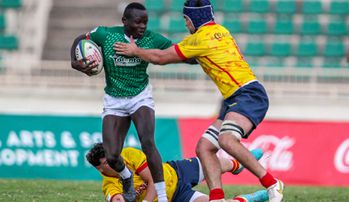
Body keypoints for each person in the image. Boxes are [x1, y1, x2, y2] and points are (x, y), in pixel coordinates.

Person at [113, 0, 284, 201]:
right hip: (236, 97)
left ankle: (272, 183)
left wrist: (136, 52)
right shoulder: (220, 30)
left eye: (186, 19)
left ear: (193, 18)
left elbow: (161, 58)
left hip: (247, 94)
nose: (186, 24)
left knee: (226, 140)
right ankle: (217, 197)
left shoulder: (199, 39)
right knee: (204, 147)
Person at [70, 3, 173, 202]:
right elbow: (80, 39)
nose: (143, 26)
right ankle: (126, 177)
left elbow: (177, 51)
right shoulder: (106, 35)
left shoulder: (152, 38)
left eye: (145, 22)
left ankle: (161, 196)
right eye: (138, 22)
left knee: (148, 142)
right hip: (114, 100)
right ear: (124, 21)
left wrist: (199, 54)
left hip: (140, 97)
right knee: (112, 156)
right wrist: (75, 61)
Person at [86, 142, 269, 202]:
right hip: (177, 196)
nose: (114, 161)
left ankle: (237, 164)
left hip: (175, 171)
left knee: (212, 163)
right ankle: (250, 199)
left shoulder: (128, 154)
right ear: (99, 168)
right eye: (108, 162)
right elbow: (115, 197)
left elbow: (151, 180)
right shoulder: (109, 185)